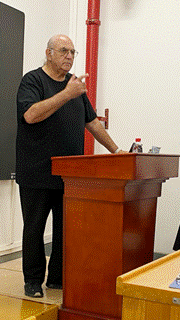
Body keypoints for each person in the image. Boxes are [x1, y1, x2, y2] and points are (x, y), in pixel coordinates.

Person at [15, 34, 125, 298]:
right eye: (64, 50)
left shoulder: (74, 86)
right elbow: (30, 115)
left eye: (73, 52)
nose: (70, 56)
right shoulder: (33, 80)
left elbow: (92, 122)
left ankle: (57, 278)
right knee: (34, 228)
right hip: (37, 172)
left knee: (66, 229)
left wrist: (116, 151)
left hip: (70, 175)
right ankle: (33, 281)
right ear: (48, 53)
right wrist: (66, 94)